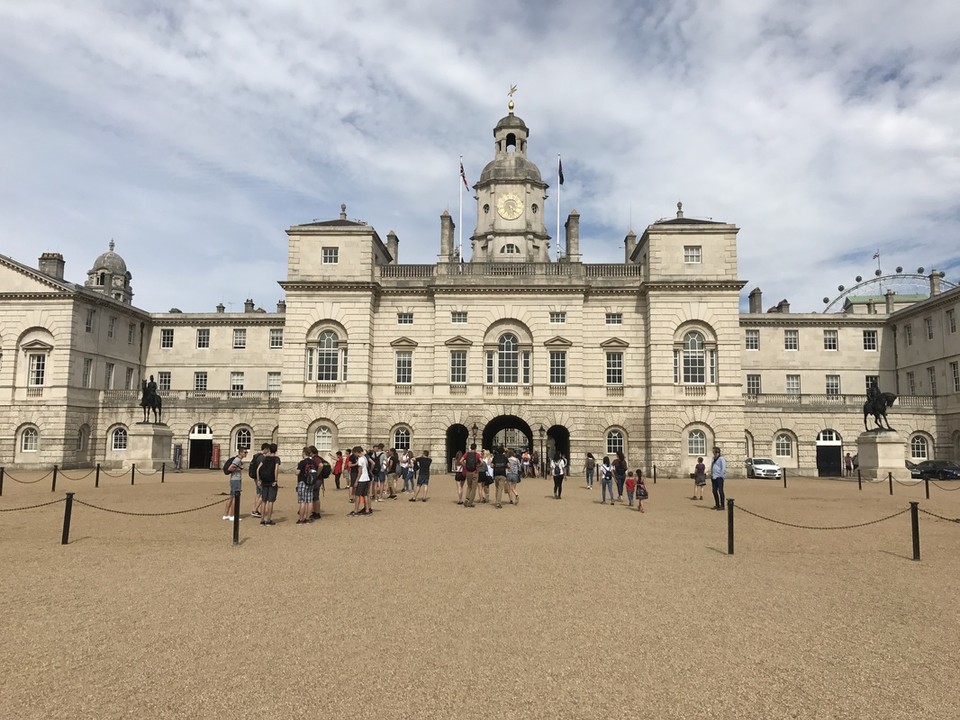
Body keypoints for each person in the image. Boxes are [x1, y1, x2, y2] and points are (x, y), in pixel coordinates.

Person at [257, 443, 281, 526]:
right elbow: (276, 469)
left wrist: (259, 479)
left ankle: (262, 519)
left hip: (264, 480)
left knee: (264, 500)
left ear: (269, 450)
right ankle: (268, 519)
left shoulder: (265, 458)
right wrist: (276, 480)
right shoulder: (276, 459)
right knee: (270, 501)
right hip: (271, 481)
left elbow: (258, 469)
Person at [222, 448, 247, 521]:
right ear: (241, 452)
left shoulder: (237, 459)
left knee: (231, 497)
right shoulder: (237, 459)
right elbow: (230, 468)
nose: (246, 454)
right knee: (235, 498)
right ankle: (233, 515)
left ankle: (226, 514)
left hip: (234, 479)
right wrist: (238, 468)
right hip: (236, 479)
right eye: (245, 452)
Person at [295, 446, 316, 525]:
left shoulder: (302, 462)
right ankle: (307, 518)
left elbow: (297, 473)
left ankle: (301, 519)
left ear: (304, 453)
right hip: (311, 483)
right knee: (309, 501)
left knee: (302, 501)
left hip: (302, 482)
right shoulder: (312, 462)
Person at [350, 445, 372, 516]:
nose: (354, 455)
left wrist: (356, 481)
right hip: (367, 478)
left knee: (357, 495)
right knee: (365, 494)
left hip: (362, 479)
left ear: (357, 452)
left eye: (354, 453)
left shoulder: (360, 459)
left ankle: (356, 510)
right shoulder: (365, 458)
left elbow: (360, 471)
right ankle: (367, 510)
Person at [249, 442, 269, 518]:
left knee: (258, 493)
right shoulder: (262, 458)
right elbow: (260, 469)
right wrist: (259, 479)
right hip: (259, 478)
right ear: (266, 449)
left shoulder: (256, 455)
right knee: (262, 494)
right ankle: (255, 510)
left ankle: (256, 509)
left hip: (255, 477)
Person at [462, 443, 482, 507]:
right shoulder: (477, 455)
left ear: (470, 448)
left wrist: (465, 466)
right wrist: (478, 466)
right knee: (474, 488)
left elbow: (461, 460)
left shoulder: (467, 454)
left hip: (468, 472)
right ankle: (470, 503)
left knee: (469, 486)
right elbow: (482, 462)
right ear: (476, 448)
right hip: (475, 472)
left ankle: (466, 499)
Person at [711, 447, 727, 511]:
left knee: (720, 491)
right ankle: (717, 504)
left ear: (716, 451)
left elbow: (723, 468)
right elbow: (712, 466)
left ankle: (722, 505)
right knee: (714, 491)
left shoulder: (721, 458)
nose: (712, 452)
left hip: (719, 477)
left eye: (713, 451)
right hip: (714, 477)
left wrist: (721, 475)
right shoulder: (713, 458)